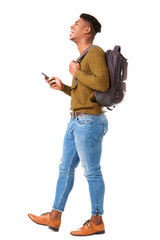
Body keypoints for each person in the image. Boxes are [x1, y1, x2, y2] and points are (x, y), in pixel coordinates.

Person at [28, 13, 109, 236]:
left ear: (87, 31)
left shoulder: (95, 53)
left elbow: (102, 84)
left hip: (89, 122)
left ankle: (97, 221)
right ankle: (54, 217)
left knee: (92, 172)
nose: (71, 26)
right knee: (65, 169)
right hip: (76, 121)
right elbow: (83, 94)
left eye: (76, 24)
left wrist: (77, 72)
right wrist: (63, 86)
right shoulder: (83, 57)